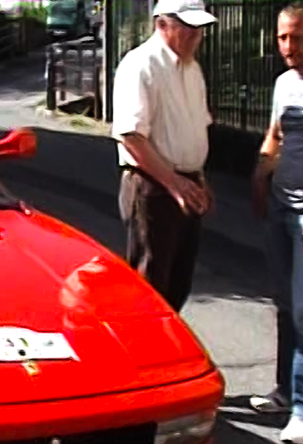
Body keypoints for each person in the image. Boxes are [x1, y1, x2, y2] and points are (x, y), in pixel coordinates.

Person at [111, 0, 217, 313]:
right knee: (151, 286)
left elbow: (195, 128)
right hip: (152, 185)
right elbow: (130, 135)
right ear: (162, 24)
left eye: (199, 29)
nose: (194, 35)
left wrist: (199, 180)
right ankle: (146, 358)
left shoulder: (192, 68)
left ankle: (166, 355)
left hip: (184, 182)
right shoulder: (141, 64)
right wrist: (173, 182)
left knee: (177, 284)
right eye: (187, 27)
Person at [248, 2, 303, 444]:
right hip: (280, 207)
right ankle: (286, 392)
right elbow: (276, 134)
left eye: (299, 38)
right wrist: (259, 176)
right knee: (286, 305)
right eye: (283, 37)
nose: (288, 46)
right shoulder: (284, 83)